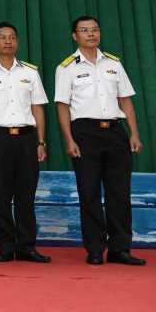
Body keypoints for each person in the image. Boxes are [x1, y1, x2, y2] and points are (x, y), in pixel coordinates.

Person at [55, 15, 146, 265]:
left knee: (120, 192)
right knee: (89, 192)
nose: (91, 34)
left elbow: (125, 100)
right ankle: (95, 248)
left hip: (116, 132)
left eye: (94, 29)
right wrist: (69, 139)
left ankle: (120, 249)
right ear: (75, 36)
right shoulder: (66, 67)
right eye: (84, 31)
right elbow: (62, 106)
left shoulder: (114, 64)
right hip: (85, 133)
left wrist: (134, 133)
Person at [0, 22, 50, 263]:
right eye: (3, 37)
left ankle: (27, 246)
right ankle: (5, 246)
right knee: (2, 195)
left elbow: (37, 108)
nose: (8, 41)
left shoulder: (30, 72)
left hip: (27, 139)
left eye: (12, 37)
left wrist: (41, 142)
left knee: (26, 195)